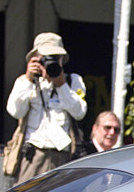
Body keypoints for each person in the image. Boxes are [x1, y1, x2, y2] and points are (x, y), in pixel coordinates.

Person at [6, 32, 87, 181]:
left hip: (63, 156)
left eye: (56, 58)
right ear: (36, 59)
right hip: (33, 155)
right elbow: (15, 112)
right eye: (46, 58)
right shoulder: (25, 82)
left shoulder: (72, 81)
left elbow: (79, 112)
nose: (51, 62)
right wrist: (29, 79)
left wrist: (61, 85)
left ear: (63, 59)